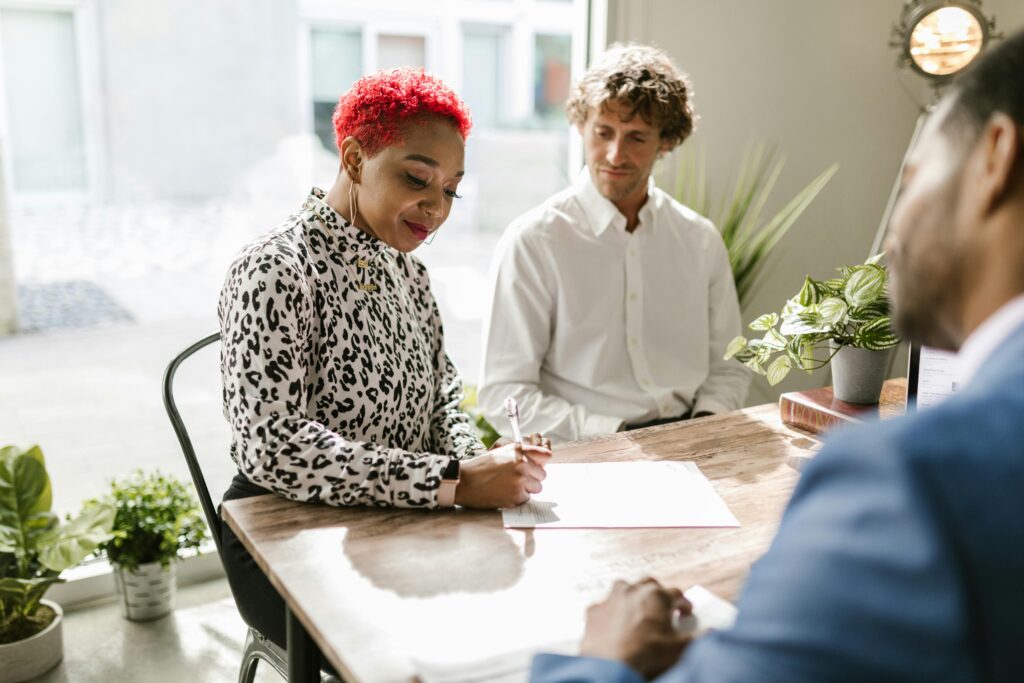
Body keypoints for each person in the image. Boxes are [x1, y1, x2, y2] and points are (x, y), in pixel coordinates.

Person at [530, 29, 1024, 683]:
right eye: (603, 130)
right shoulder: (537, 239)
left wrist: (598, 660)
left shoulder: (903, 479)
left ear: (995, 158)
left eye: (911, 180)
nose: (893, 228)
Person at [217, 68, 552, 651]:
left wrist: (480, 465)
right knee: (443, 646)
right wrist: (451, 481)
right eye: (417, 177)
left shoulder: (409, 272)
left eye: (451, 189)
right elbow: (273, 447)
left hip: (405, 520)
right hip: (285, 536)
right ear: (352, 159)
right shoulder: (276, 268)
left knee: (536, 610)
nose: (437, 207)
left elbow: (442, 393)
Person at [478, 44, 750, 444]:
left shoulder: (700, 241)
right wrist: (617, 435)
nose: (615, 154)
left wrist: (703, 428)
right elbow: (504, 393)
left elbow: (729, 367)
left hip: (696, 439)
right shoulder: (534, 241)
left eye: (637, 137)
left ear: (666, 142)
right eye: (603, 132)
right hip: (587, 449)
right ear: (581, 127)